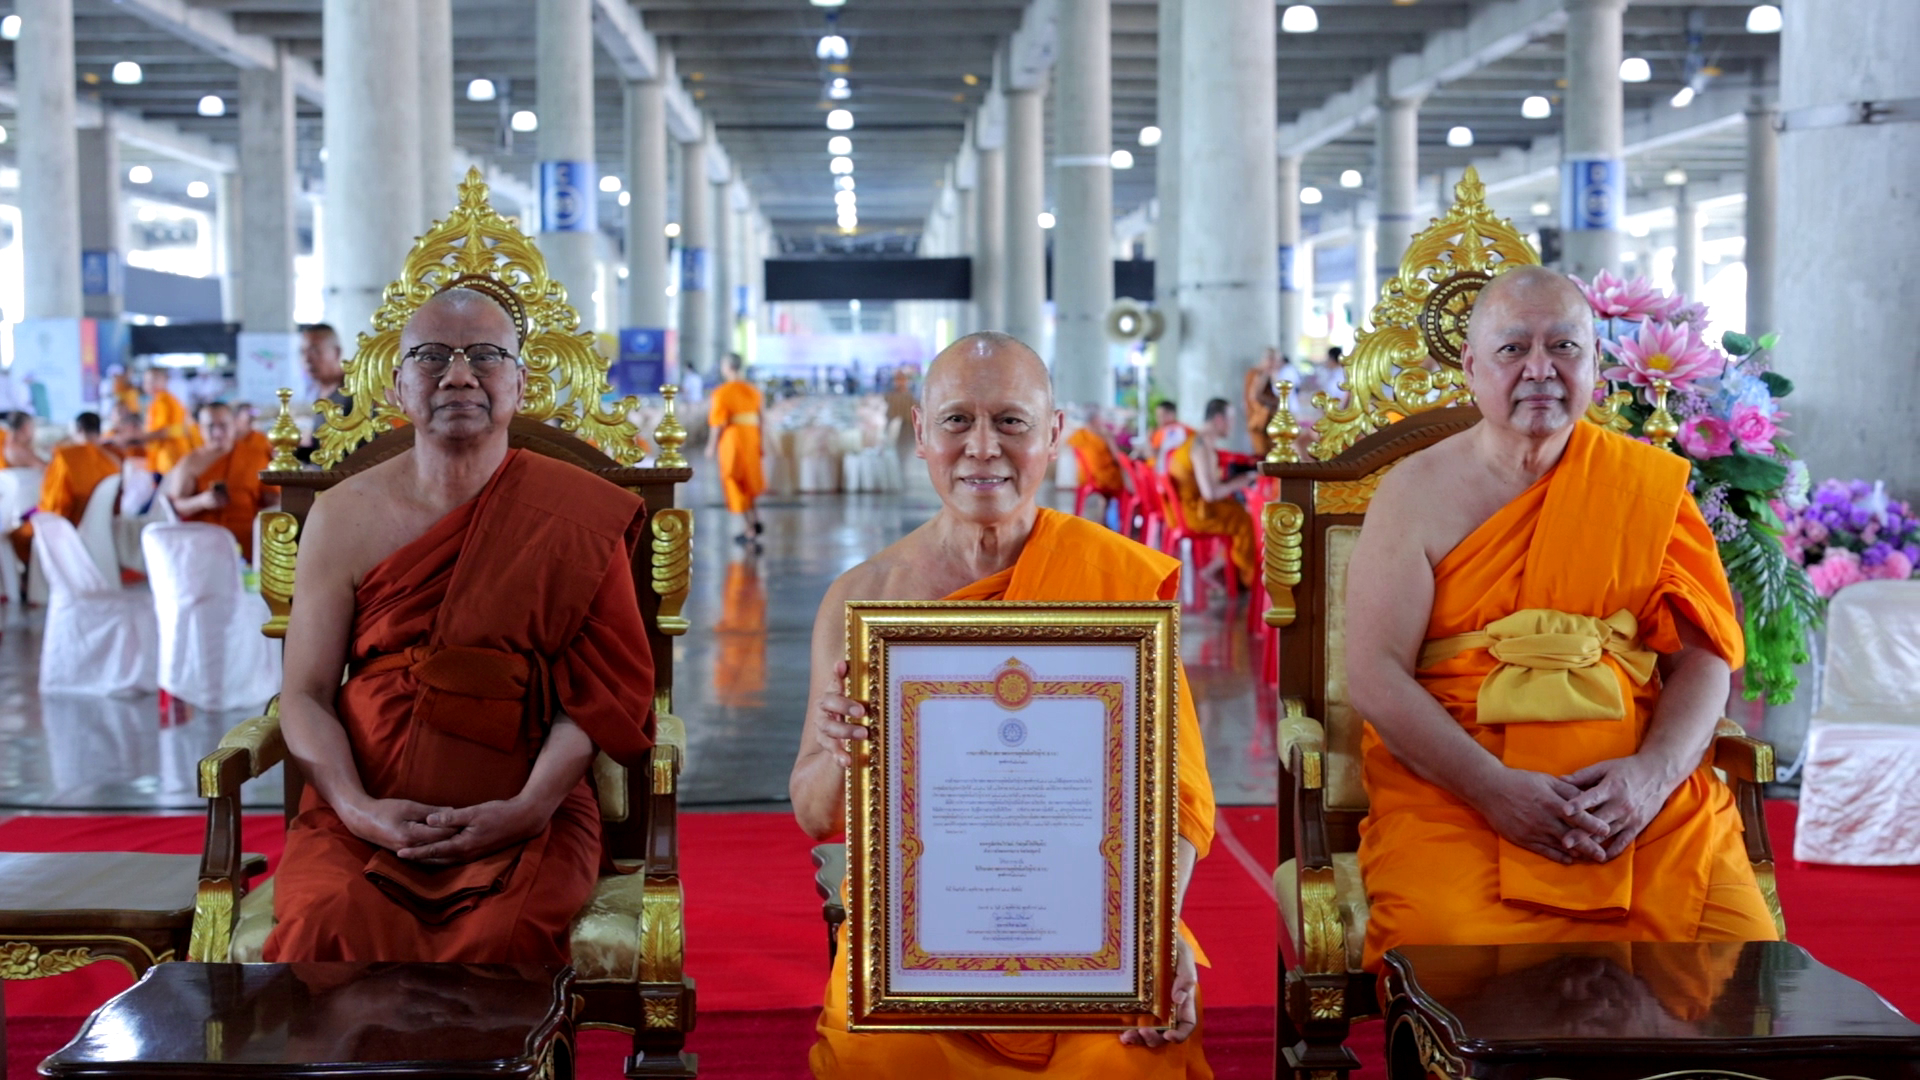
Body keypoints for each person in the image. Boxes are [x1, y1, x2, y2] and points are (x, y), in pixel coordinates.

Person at [791, 332, 1216, 1078]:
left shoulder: (1115, 583)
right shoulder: (866, 599)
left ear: (1054, 435)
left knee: (1128, 1064)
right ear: (920, 433)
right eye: (957, 421)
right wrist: (838, 746)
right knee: (883, 1054)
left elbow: (1174, 799)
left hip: (1095, 930)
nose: (982, 448)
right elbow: (812, 812)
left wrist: (1153, 928)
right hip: (918, 932)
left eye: (1011, 422)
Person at [1344, 266, 1778, 974]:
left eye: (1564, 347)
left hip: (1631, 794)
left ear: (1597, 363)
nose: (1540, 369)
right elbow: (1375, 675)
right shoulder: (1414, 493)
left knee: (1736, 948)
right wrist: (1494, 791)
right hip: (1460, 792)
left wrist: (1652, 776)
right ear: (1472, 365)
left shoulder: (1646, 486)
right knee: (1447, 948)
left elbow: (1704, 658)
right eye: (1514, 349)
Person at [262, 283, 658, 963]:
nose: (459, 375)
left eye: (484, 355)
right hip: (362, 814)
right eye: (432, 356)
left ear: (521, 382)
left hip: (526, 818)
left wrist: (530, 807)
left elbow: (600, 699)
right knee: (325, 921)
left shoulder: (580, 515)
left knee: (502, 938)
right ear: (396, 386)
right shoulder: (342, 514)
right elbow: (303, 694)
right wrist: (356, 807)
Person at [162, 403, 279, 560]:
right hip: (207, 541)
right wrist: (201, 501)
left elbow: (273, 499)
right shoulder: (191, 462)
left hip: (250, 538)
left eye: (223, 426)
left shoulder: (256, 456)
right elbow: (176, 506)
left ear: (234, 425)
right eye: (210, 427)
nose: (217, 433)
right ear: (200, 429)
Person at [1165, 399, 1258, 591]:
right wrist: (1241, 482)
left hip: (1190, 508)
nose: (1232, 425)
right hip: (1193, 514)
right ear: (1218, 419)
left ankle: (1221, 570)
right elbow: (1210, 493)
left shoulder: (1199, 440)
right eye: (1230, 419)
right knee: (1244, 519)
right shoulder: (1201, 446)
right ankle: (1247, 579)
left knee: (1238, 509)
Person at [706, 352, 765, 545]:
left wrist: (711, 446)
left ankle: (749, 528)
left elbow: (718, 423)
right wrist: (762, 441)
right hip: (752, 436)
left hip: (734, 438)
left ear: (728, 367)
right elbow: (762, 418)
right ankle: (754, 520)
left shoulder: (723, 392)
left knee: (735, 479)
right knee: (749, 479)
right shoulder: (753, 390)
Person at [36, 412, 123, 526]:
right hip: (104, 523)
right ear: (99, 431)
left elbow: (54, 502)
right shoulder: (113, 458)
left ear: (78, 429)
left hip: (71, 524)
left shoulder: (67, 457)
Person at [1065, 407, 1127, 519]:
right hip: (1103, 476)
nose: (1103, 420)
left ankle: (1105, 516)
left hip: (1086, 476)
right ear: (1095, 419)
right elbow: (1117, 457)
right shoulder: (1104, 435)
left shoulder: (1081, 433)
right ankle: (1128, 518)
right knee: (1127, 478)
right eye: (1101, 417)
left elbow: (1069, 443)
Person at [142, 367, 200, 476]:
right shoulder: (160, 400)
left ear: (165, 380)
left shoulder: (163, 400)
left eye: (154, 380)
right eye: (146, 381)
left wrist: (138, 437)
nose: (150, 384)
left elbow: (163, 431)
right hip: (172, 454)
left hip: (170, 455)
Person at [1244, 349, 1283, 458]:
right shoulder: (1258, 374)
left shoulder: (1271, 374)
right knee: (1262, 456)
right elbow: (1254, 396)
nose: (1276, 364)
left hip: (1270, 421)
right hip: (1259, 421)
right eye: (1273, 360)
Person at [301, 324, 349, 405]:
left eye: (314, 351)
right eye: (303, 352)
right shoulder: (316, 391)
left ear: (336, 352)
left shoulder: (354, 393)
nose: (307, 359)